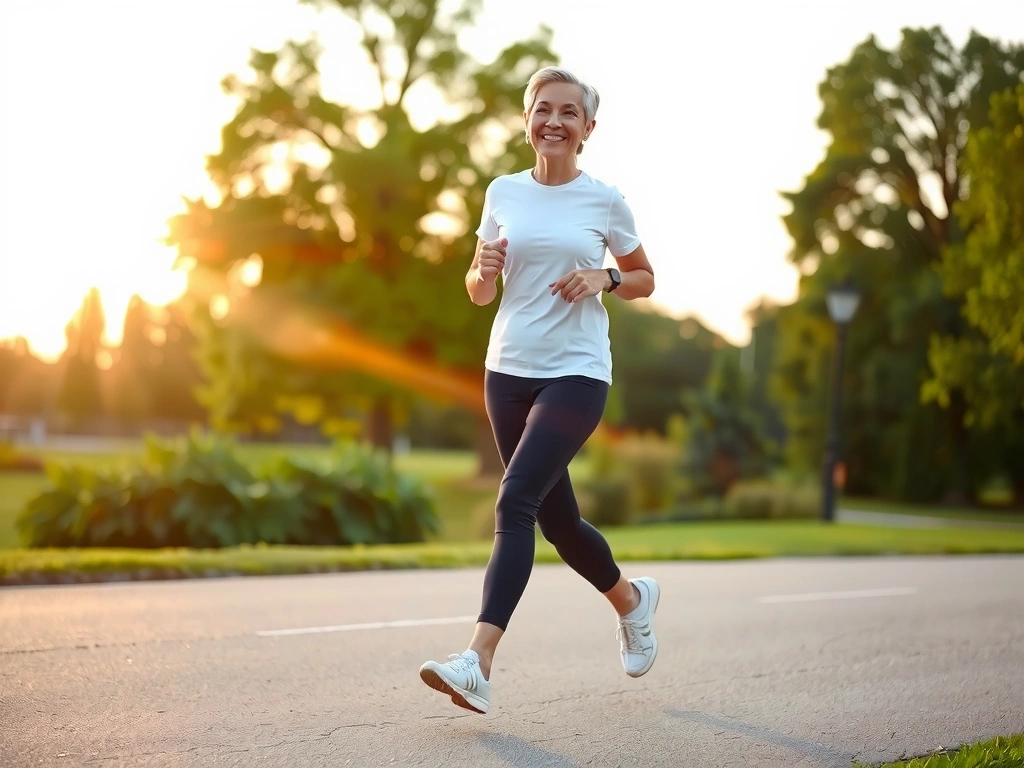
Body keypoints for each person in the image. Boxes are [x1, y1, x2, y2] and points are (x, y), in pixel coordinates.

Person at [418, 66, 660, 715]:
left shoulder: (604, 200)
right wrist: (480, 269)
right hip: (507, 370)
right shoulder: (502, 190)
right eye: (543, 109)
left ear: (587, 129)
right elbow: (479, 289)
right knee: (557, 522)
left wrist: (605, 277)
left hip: (577, 371)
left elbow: (644, 278)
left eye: (568, 113)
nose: (554, 121)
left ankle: (478, 661)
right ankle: (631, 603)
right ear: (528, 118)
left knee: (514, 500)